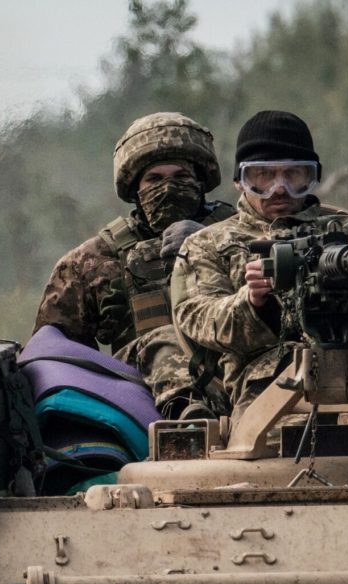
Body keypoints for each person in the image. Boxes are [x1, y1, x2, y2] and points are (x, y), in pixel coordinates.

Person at [172, 110, 348, 431]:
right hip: (269, 401)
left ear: (311, 178)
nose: (279, 188)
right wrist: (252, 302)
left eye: (293, 175)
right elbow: (198, 320)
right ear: (240, 181)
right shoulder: (208, 244)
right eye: (263, 176)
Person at [33, 112, 235, 418]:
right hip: (137, 401)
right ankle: (186, 415)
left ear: (200, 182)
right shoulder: (92, 261)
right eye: (154, 179)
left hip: (237, 382)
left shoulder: (240, 236)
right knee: (164, 340)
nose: (168, 188)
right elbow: (53, 355)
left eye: (181, 176)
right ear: (135, 189)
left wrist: (210, 244)